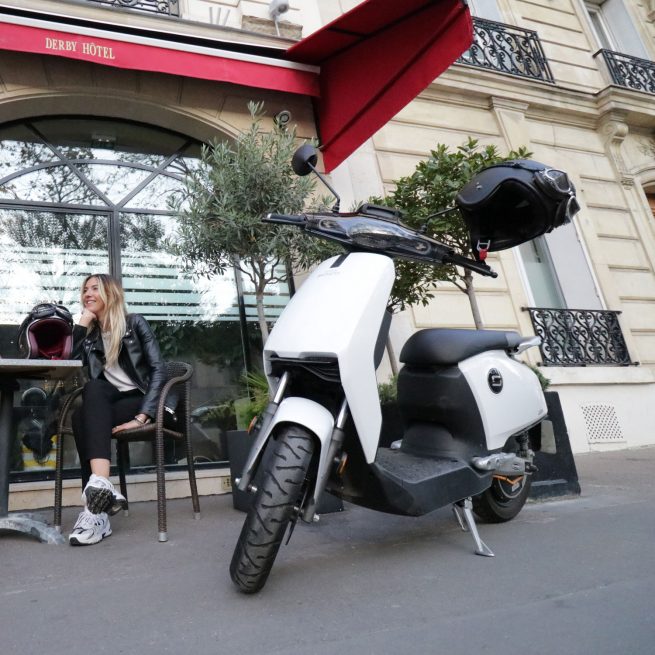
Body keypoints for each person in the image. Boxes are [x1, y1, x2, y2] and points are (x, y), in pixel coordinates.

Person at [68, 273, 166, 546]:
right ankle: (101, 491)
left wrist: (142, 416)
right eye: (85, 290)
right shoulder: (90, 337)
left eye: (94, 289)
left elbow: (159, 369)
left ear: (110, 293)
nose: (87, 294)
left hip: (141, 399)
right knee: (90, 396)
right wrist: (80, 327)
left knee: (82, 416)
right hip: (111, 401)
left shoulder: (135, 324)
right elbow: (67, 366)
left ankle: (94, 513)